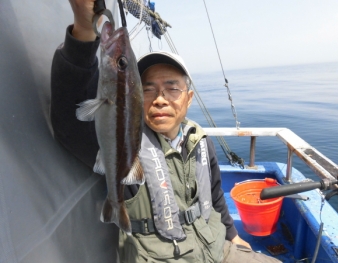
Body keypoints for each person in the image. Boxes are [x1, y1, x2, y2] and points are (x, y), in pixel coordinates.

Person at [50, 1, 282, 262]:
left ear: (189, 97)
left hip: (219, 248)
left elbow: (216, 198)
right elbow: (68, 122)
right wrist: (83, 29)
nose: (160, 99)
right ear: (136, 95)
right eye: (148, 89)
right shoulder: (127, 140)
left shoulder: (200, 141)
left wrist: (233, 236)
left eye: (172, 88)